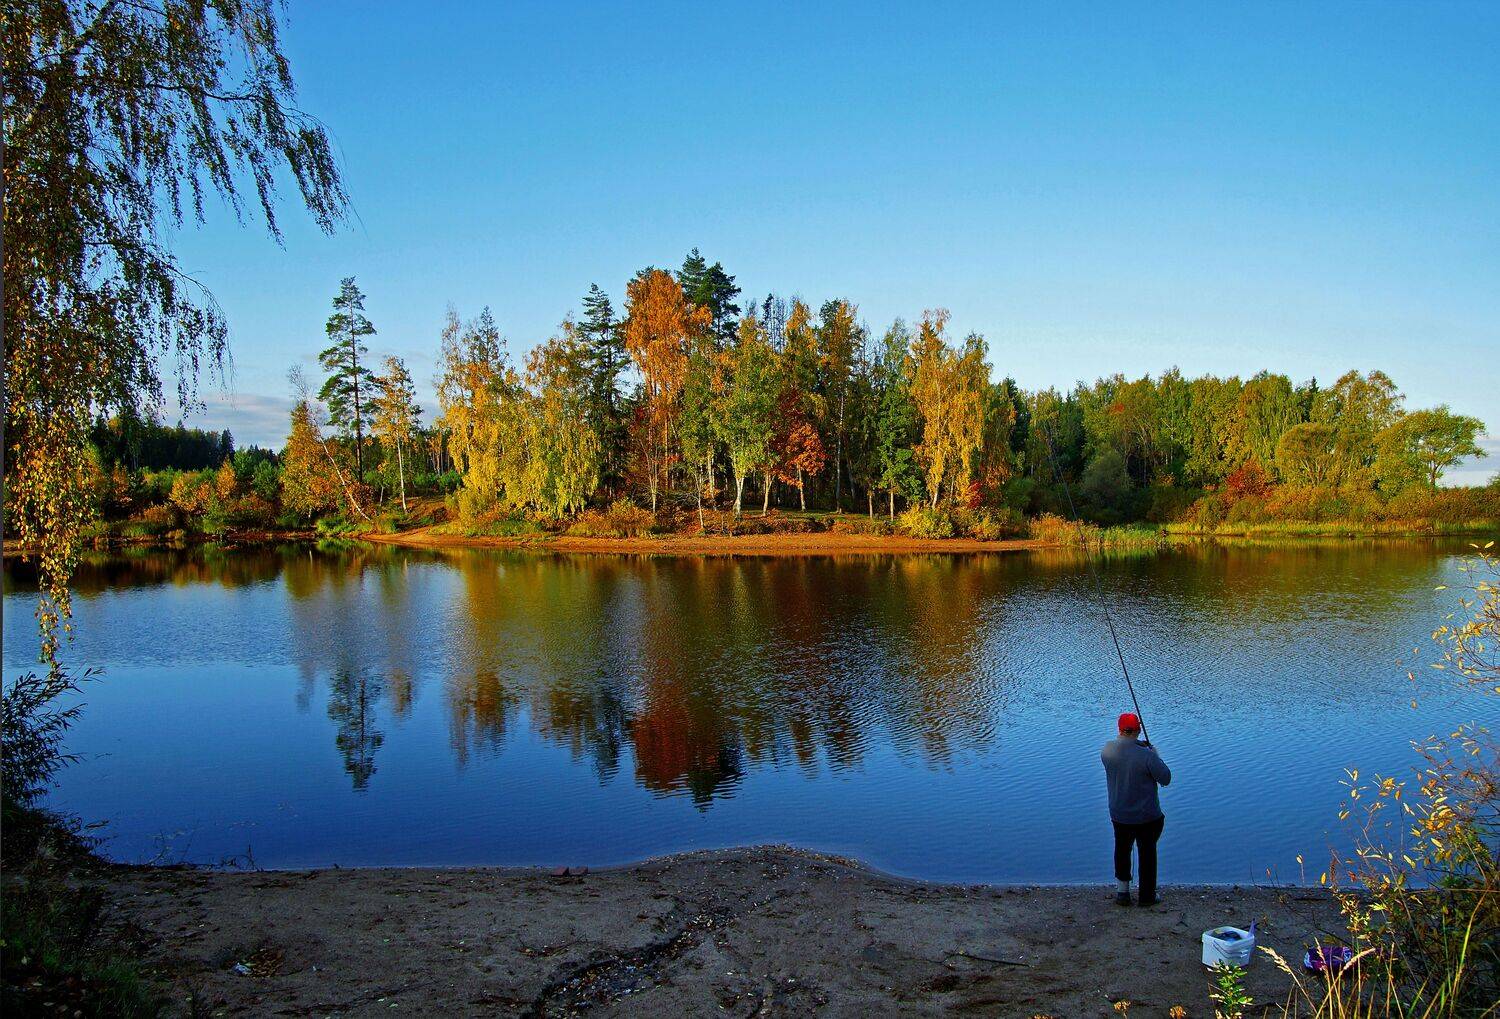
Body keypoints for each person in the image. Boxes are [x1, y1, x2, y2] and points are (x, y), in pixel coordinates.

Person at [1101, 711, 1170, 907]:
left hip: (1119, 814)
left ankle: (1122, 893)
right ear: (1139, 730)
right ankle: (1147, 897)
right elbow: (1165, 778)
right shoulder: (1147, 755)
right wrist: (1155, 754)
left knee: (1122, 850)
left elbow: (1125, 752)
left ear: (1119, 729)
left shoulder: (1107, 751)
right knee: (1147, 853)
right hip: (1147, 816)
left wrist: (1142, 748)